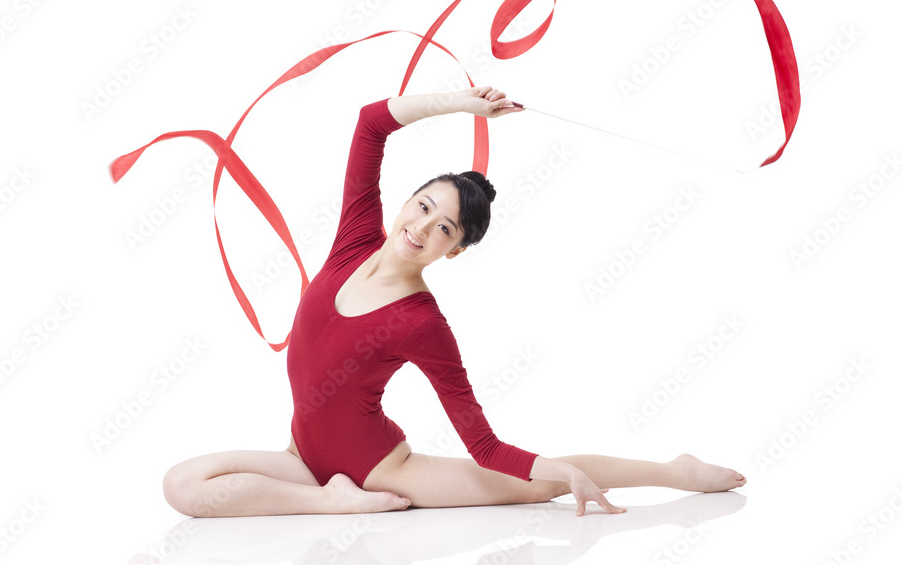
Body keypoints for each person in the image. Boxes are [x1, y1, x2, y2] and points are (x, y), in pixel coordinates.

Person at [161, 85, 747, 518]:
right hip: (303, 458)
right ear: (407, 200)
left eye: (445, 229)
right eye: (423, 207)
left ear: (455, 250)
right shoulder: (355, 237)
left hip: (385, 469)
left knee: (539, 487)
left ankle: (676, 471)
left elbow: (484, 446)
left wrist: (560, 469)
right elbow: (371, 123)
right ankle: (328, 502)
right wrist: (464, 104)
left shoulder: (420, 321)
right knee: (181, 487)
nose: (422, 228)